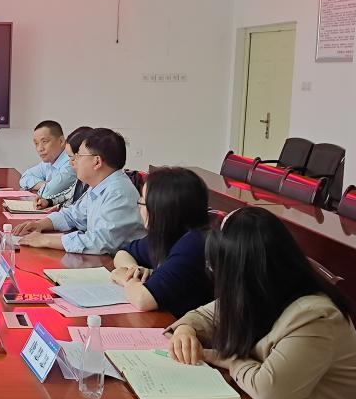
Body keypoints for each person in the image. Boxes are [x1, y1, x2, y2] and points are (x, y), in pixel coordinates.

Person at [168, 207, 356, 399]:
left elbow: (270, 391)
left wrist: (226, 359)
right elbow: (204, 316)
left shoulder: (316, 317)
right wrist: (185, 330)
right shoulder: (262, 293)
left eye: (217, 268)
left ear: (242, 272)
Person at [14, 128, 144, 254]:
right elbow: (73, 215)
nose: (72, 163)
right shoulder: (98, 186)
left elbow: (101, 242)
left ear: (97, 161)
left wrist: (46, 240)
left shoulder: (119, 192)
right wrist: (40, 225)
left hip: (117, 264)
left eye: (79, 156)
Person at [110, 167, 213, 317]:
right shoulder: (169, 233)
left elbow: (143, 299)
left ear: (160, 209)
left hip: (183, 327)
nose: (139, 207)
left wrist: (126, 279)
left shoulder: (194, 244)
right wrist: (133, 269)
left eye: (142, 203)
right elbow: (123, 253)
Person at [17, 120, 77, 200]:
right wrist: (46, 184)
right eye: (36, 143)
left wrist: (48, 187)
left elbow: (47, 193)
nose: (40, 149)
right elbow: (24, 178)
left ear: (61, 141)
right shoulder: (48, 161)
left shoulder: (71, 162)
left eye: (44, 142)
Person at [35, 126, 91, 210]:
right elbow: (68, 195)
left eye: (72, 158)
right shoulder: (82, 180)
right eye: (36, 143)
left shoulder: (96, 186)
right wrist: (49, 202)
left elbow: (79, 212)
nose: (70, 163)